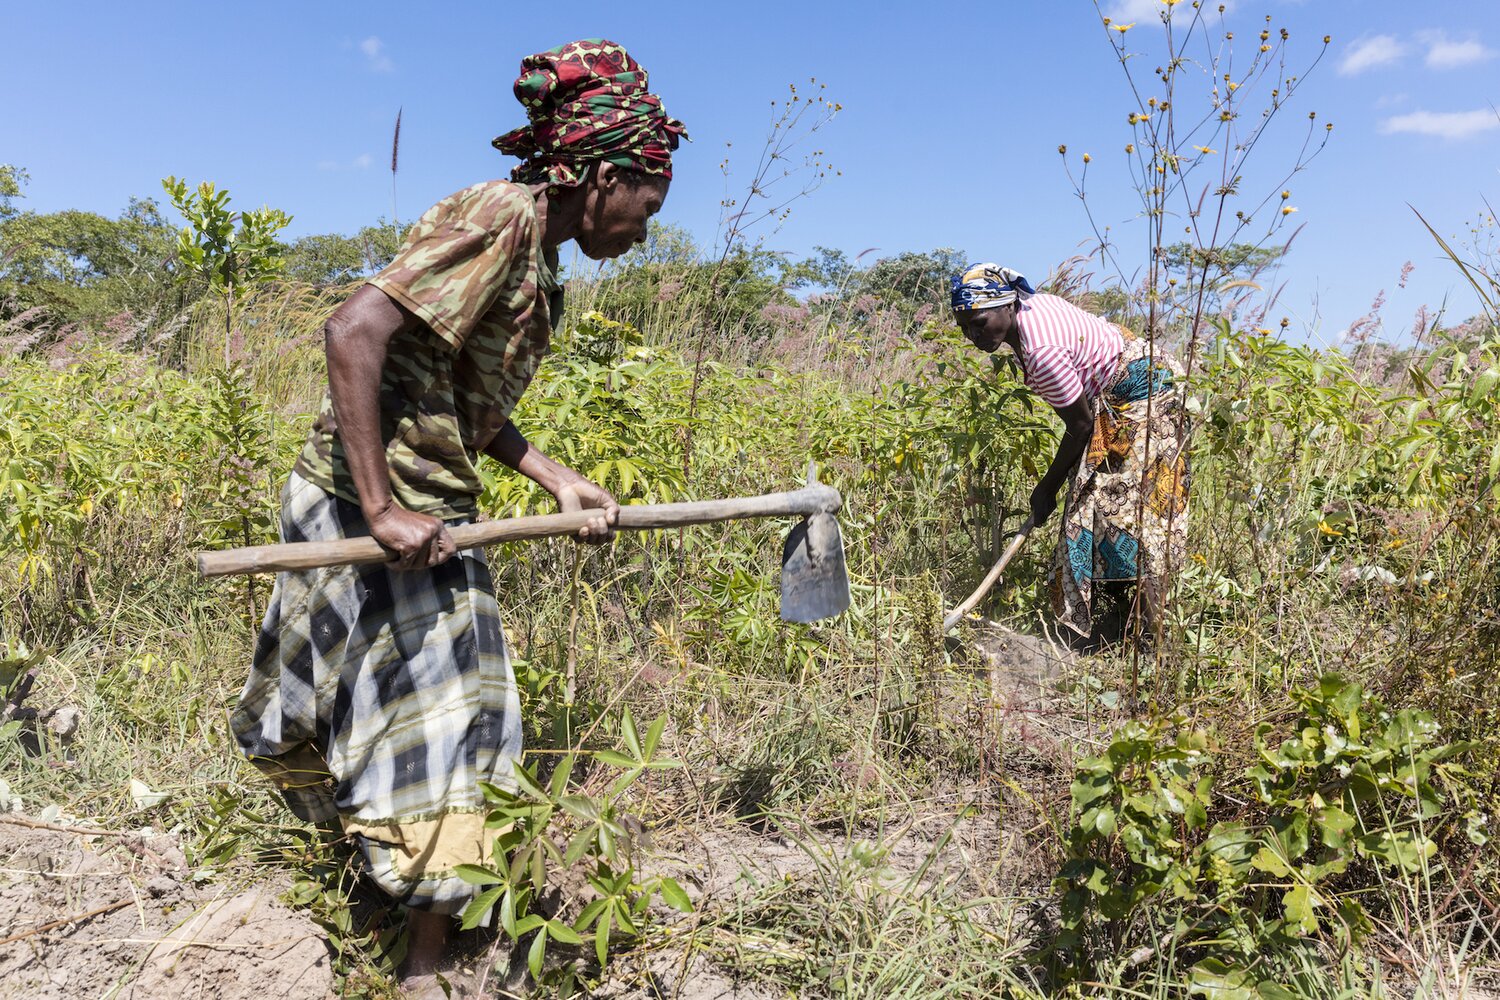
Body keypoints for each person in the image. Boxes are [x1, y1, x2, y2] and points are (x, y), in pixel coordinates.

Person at [230, 39, 685, 996]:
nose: (644, 233)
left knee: (462, 721)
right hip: (360, 509)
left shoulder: (536, 255)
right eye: (647, 208)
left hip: (429, 514)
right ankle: (396, 926)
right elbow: (354, 329)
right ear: (604, 176)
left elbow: (467, 406)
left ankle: (422, 954)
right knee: (336, 712)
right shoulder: (501, 216)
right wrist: (384, 507)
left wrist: (557, 478)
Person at [949, 263, 1189, 639]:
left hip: (1145, 397)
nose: (973, 335)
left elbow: (1081, 426)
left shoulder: (1041, 352)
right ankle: (1122, 624)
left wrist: (1046, 488)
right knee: (1104, 509)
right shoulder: (1032, 306)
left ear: (1006, 305)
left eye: (978, 322)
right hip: (1133, 387)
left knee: (1128, 516)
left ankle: (1151, 637)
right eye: (964, 327)